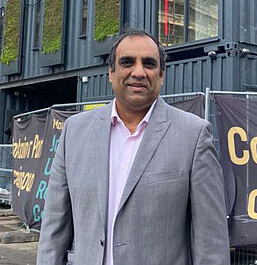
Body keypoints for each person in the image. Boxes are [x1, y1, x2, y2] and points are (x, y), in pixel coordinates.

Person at [37, 29, 230, 265]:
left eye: (149, 63)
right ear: (111, 72)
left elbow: (210, 241)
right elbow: (54, 228)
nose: (138, 72)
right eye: (127, 62)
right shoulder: (74, 132)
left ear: (161, 75)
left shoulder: (194, 135)